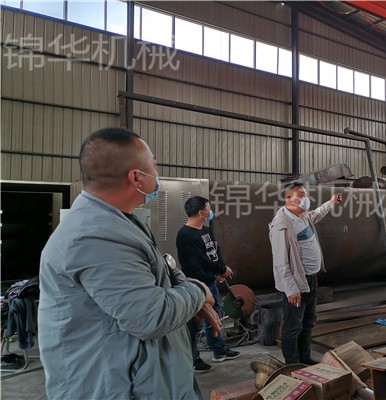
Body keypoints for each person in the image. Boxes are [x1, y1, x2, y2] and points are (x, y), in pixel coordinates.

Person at [38, 127, 221, 400]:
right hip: (119, 388)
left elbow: (165, 271)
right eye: (154, 166)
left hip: (145, 379)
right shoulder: (95, 236)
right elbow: (151, 316)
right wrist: (199, 292)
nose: (157, 175)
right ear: (136, 177)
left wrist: (190, 294)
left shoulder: (122, 221)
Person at [268, 182, 342, 365]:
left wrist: (331, 203)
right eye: (301, 196)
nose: (306, 199)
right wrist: (291, 289)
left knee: (308, 321)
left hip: (311, 279)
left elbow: (316, 214)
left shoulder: (302, 216)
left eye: (306, 195)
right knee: (293, 326)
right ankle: (293, 364)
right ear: (289, 198)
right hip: (296, 284)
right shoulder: (281, 226)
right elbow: (280, 262)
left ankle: (305, 358)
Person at [176, 196, 240, 372]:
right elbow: (199, 261)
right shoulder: (185, 235)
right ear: (201, 212)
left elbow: (214, 251)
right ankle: (193, 359)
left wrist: (219, 271)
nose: (211, 212)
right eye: (209, 209)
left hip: (210, 281)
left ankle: (219, 350)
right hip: (197, 285)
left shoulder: (205, 230)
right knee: (195, 323)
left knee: (215, 317)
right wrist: (220, 269)